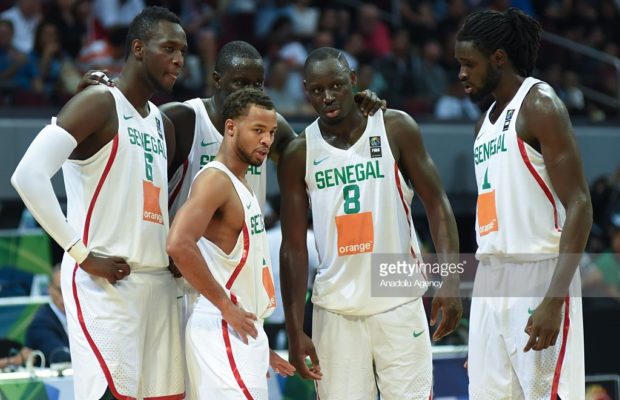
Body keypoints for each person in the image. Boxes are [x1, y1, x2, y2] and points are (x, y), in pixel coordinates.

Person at [11, 6, 187, 400]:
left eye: (184, 50)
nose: (179, 58)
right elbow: (27, 176)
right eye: (169, 47)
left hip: (156, 285)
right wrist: (81, 254)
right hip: (105, 281)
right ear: (138, 48)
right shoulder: (98, 103)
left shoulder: (164, 125)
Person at [278, 47, 463, 399]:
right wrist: (294, 328)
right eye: (317, 90)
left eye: (336, 85)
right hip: (335, 309)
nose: (328, 96)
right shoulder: (300, 152)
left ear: (353, 80)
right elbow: (293, 247)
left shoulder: (395, 127)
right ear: (305, 90)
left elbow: (437, 202)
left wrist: (450, 279)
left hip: (398, 296)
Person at [454, 8, 592, 399]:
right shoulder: (483, 125)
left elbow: (580, 204)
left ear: (499, 58)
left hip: (540, 274)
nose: (462, 74)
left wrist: (554, 300)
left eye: (469, 64)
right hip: (491, 278)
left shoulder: (540, 104)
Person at [167, 88, 295, 399]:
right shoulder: (215, 180)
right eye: (258, 130)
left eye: (272, 133)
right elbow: (178, 243)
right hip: (220, 329)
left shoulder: (243, 185)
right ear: (230, 128)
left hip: (241, 332)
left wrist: (259, 346)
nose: (267, 140)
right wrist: (225, 306)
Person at [25, 264, 71, 366]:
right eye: (60, 290)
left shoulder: (82, 316)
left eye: (69, 290)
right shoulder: (40, 323)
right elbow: (60, 356)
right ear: (49, 289)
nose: (65, 296)